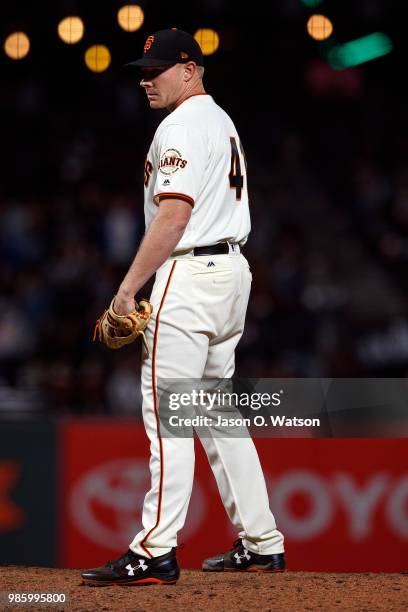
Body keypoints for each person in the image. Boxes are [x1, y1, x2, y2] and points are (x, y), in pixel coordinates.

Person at [81, 28, 285, 586]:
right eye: (143, 71)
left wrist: (127, 291)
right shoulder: (220, 120)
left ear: (190, 69)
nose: (147, 79)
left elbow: (173, 215)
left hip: (190, 274)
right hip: (231, 273)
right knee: (215, 414)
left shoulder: (182, 124)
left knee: (167, 415)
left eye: (159, 69)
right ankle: (262, 541)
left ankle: (154, 548)